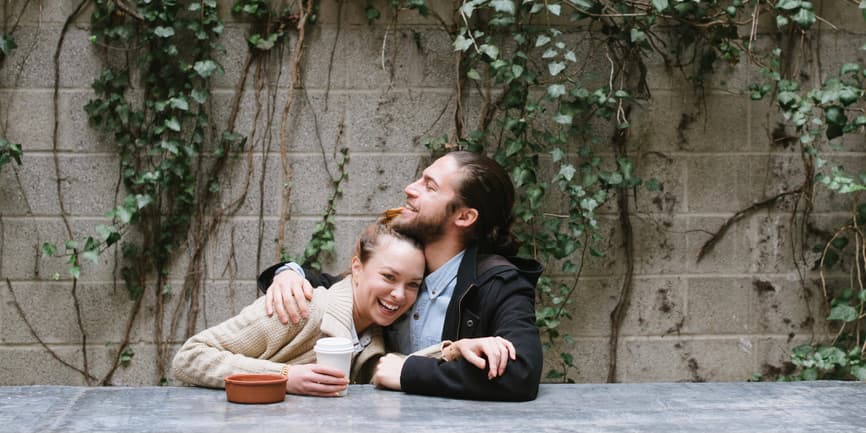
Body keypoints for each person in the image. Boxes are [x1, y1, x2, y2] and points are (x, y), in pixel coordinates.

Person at [258, 151, 544, 401]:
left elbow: (522, 375)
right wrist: (288, 274)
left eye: (429, 187)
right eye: (420, 178)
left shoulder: (500, 283)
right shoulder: (406, 269)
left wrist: (407, 371)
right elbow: (344, 290)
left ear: (465, 217)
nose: (409, 188)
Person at [172, 213, 514, 397]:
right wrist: (286, 377)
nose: (399, 294)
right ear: (356, 268)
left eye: (412, 284)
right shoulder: (300, 308)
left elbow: (396, 367)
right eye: (389, 277)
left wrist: (459, 348)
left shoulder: (375, 336)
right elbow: (190, 358)